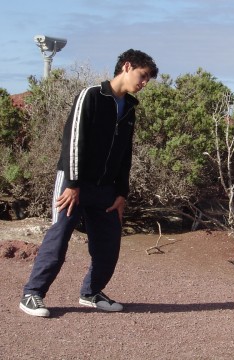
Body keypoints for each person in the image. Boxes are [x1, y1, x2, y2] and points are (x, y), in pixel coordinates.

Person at [19, 49, 158, 317]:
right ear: (126, 67)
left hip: (106, 189)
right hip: (75, 185)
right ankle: (32, 294)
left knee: (109, 244)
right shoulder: (92, 95)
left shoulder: (129, 108)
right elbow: (73, 140)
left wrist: (121, 193)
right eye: (142, 76)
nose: (144, 84)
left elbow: (125, 153)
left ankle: (91, 292)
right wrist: (72, 184)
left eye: (148, 80)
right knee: (59, 238)